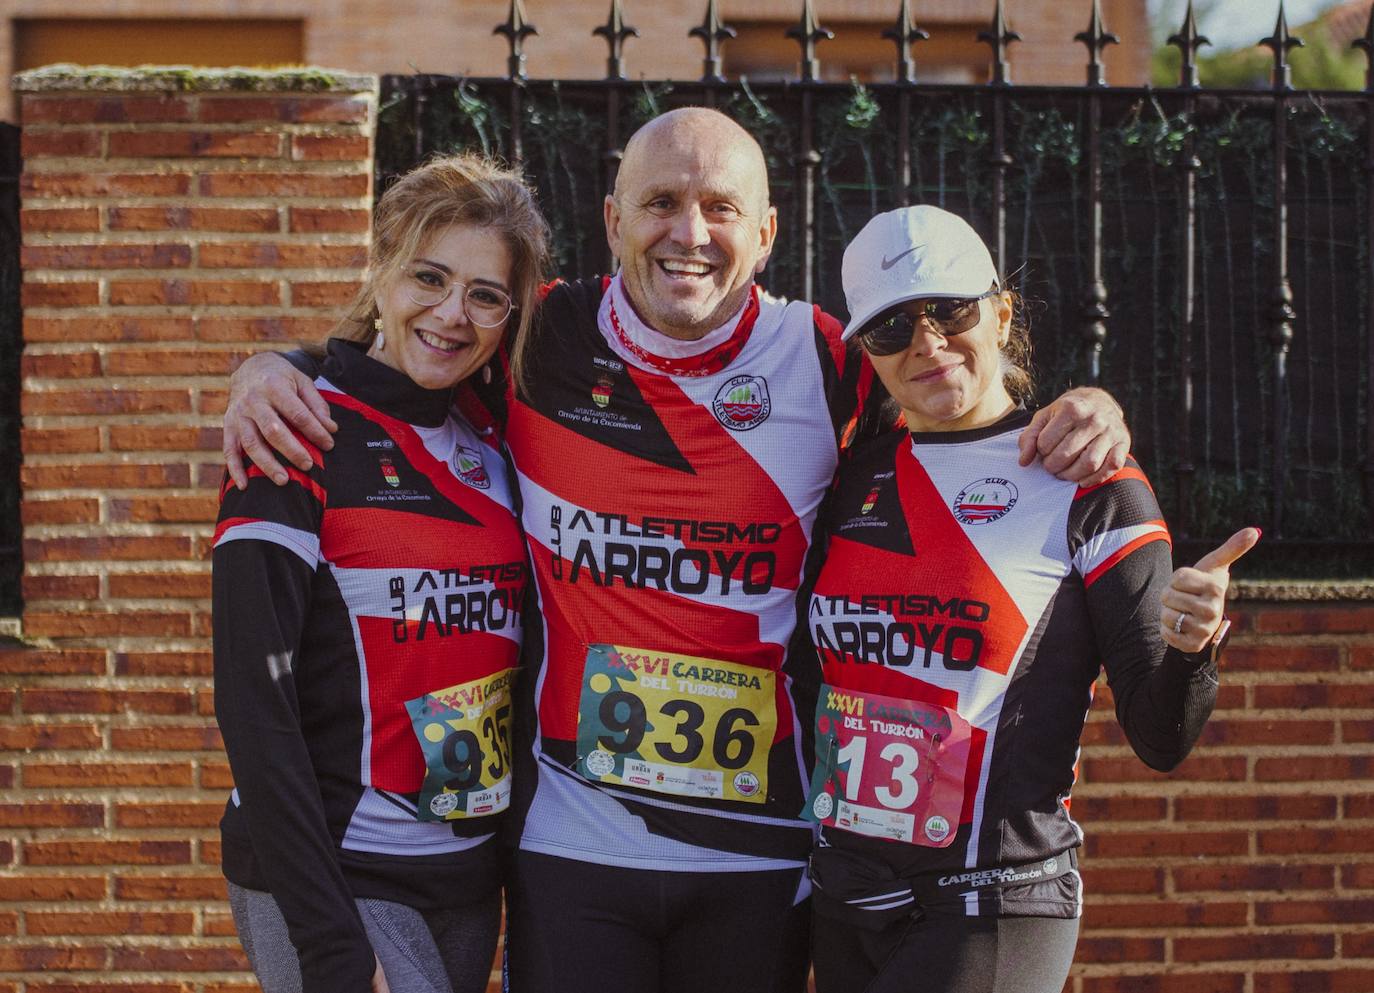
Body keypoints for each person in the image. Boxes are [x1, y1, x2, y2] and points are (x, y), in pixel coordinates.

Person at [220, 108, 1132, 993]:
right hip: (574, 840)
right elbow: (404, 365)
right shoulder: (542, 338)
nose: (688, 232)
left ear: (765, 233)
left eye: (720, 207)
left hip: (759, 851)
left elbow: (957, 410)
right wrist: (271, 371)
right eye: (660, 202)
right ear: (613, 220)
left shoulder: (827, 359)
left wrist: (1090, 407)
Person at [802, 205, 1256, 993]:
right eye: (892, 328)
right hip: (846, 898)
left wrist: (1193, 645)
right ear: (866, 352)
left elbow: (1161, 735)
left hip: (993, 905)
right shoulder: (849, 479)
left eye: (950, 310)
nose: (927, 343)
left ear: (1003, 313)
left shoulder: (1091, 481)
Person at [213, 154, 550, 993]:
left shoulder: (494, 437)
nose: (452, 313)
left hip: (465, 880)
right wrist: (330, 941)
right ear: (382, 268)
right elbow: (253, 702)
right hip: (336, 873)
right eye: (429, 277)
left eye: (484, 295)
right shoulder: (294, 431)